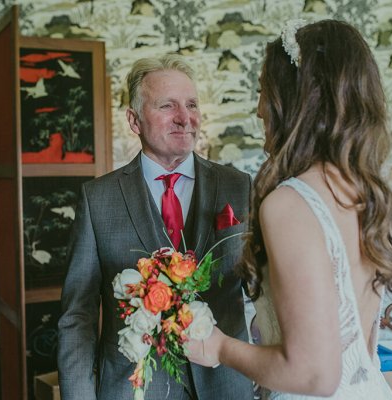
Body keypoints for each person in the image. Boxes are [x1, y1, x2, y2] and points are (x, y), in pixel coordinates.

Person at [187, 19, 392, 399]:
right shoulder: (363, 192)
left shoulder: (291, 203)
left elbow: (314, 375)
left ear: (294, 99)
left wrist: (219, 347)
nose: (258, 110)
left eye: (263, 92)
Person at [57, 54, 254, 400]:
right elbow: (78, 317)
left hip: (226, 386)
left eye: (191, 104)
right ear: (134, 120)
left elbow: (264, 293)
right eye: (167, 106)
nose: (185, 118)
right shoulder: (97, 199)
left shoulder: (239, 187)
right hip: (133, 388)